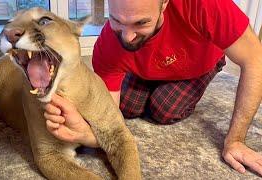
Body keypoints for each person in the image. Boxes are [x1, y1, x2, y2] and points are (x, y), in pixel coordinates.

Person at [44, 0, 262, 176]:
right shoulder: (109, 44)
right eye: (116, 20)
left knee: (163, 109)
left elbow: (255, 59)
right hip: (148, 67)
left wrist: (235, 141)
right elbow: (107, 114)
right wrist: (88, 134)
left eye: (141, 23)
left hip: (198, 64)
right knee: (127, 107)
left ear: (164, 4)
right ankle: (149, 64)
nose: (127, 36)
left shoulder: (205, 4)